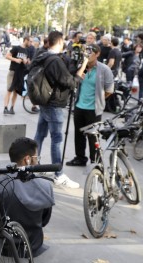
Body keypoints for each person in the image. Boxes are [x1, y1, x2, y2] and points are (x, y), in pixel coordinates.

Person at [30, 31, 86, 188]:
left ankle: (33, 167)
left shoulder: (42, 55)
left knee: (40, 135)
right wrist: (81, 72)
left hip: (44, 100)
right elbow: (69, 82)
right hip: (54, 103)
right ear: (60, 41)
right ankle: (59, 174)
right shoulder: (55, 60)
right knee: (57, 140)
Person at [0, 137, 54, 257]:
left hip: (2, 246)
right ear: (27, 159)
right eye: (36, 158)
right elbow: (44, 221)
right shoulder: (45, 186)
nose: (38, 161)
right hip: (33, 246)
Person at [66, 43, 114, 166]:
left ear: (97, 54)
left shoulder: (104, 69)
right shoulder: (81, 67)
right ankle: (80, 158)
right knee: (78, 134)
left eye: (90, 52)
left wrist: (98, 99)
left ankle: (95, 160)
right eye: (85, 52)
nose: (87, 55)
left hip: (93, 109)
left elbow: (109, 90)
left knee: (92, 136)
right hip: (79, 106)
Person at [3, 36, 31, 114]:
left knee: (16, 91)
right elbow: (7, 56)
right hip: (13, 71)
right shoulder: (16, 48)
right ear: (26, 40)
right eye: (30, 41)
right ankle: (5, 108)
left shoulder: (27, 50)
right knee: (9, 90)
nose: (31, 43)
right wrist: (16, 59)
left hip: (20, 73)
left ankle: (12, 107)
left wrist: (27, 61)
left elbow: (27, 60)